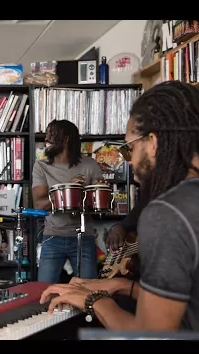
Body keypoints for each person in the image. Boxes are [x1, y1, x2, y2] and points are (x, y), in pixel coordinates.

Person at [40, 81, 199, 331]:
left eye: (129, 149)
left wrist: (94, 301)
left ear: (153, 143)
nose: (130, 163)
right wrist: (123, 286)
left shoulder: (167, 213)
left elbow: (150, 338)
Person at [32, 119, 106, 283]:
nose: (46, 140)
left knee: (88, 293)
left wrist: (100, 192)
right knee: (43, 293)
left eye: (51, 136)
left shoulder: (90, 165)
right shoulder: (41, 166)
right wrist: (68, 189)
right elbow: (39, 204)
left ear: (65, 138)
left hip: (84, 238)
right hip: (52, 238)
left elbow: (98, 205)